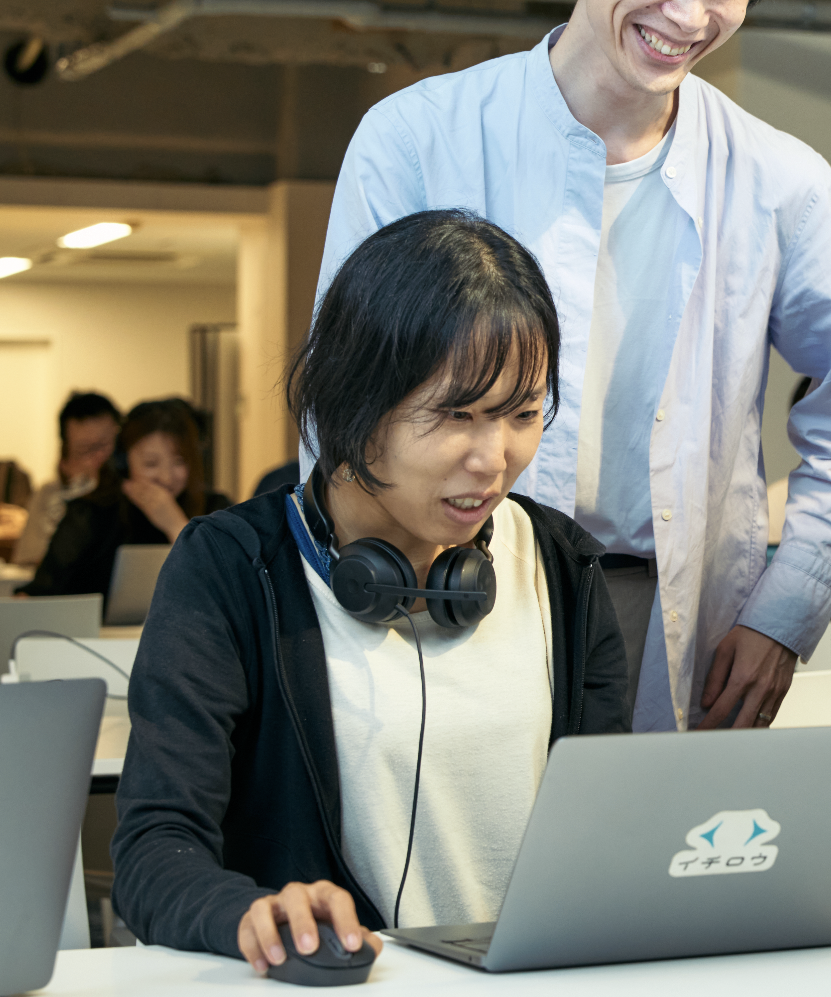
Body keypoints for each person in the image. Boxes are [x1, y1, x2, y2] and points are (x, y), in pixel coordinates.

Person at [318, 0, 831, 734]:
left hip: (683, 623)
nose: (690, 14)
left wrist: (787, 613)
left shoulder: (782, 182)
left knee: (650, 881)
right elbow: (338, 408)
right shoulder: (419, 137)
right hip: (442, 594)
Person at [111, 210, 628, 973]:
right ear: (356, 406)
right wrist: (248, 914)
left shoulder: (559, 561)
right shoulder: (230, 568)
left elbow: (610, 830)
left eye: (521, 415)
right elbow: (153, 853)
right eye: (455, 415)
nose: (494, 459)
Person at [26, 398, 231, 605]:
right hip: (98, 636)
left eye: (179, 462)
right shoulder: (91, 513)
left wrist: (175, 525)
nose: (166, 477)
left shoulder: (216, 509)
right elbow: (40, 592)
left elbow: (230, 587)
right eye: (151, 463)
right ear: (123, 462)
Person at [11, 391, 120, 568]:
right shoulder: (48, 495)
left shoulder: (133, 493)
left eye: (105, 446)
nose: (98, 459)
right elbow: (28, 562)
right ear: (65, 454)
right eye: (85, 450)